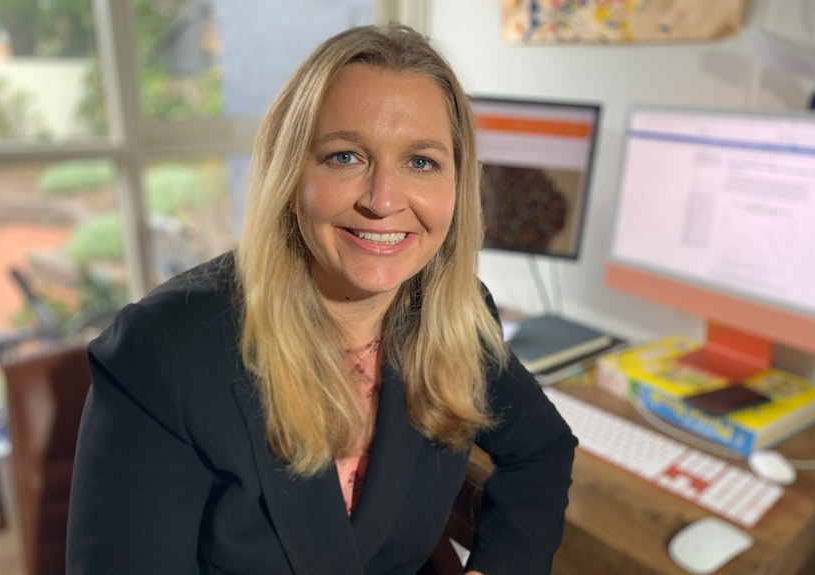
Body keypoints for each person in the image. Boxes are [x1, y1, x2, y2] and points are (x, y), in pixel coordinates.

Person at [66, 23, 577, 575]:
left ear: (458, 184)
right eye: (345, 157)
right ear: (290, 174)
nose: (383, 201)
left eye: (421, 162)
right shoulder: (165, 350)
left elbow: (543, 451)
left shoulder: (453, 314)